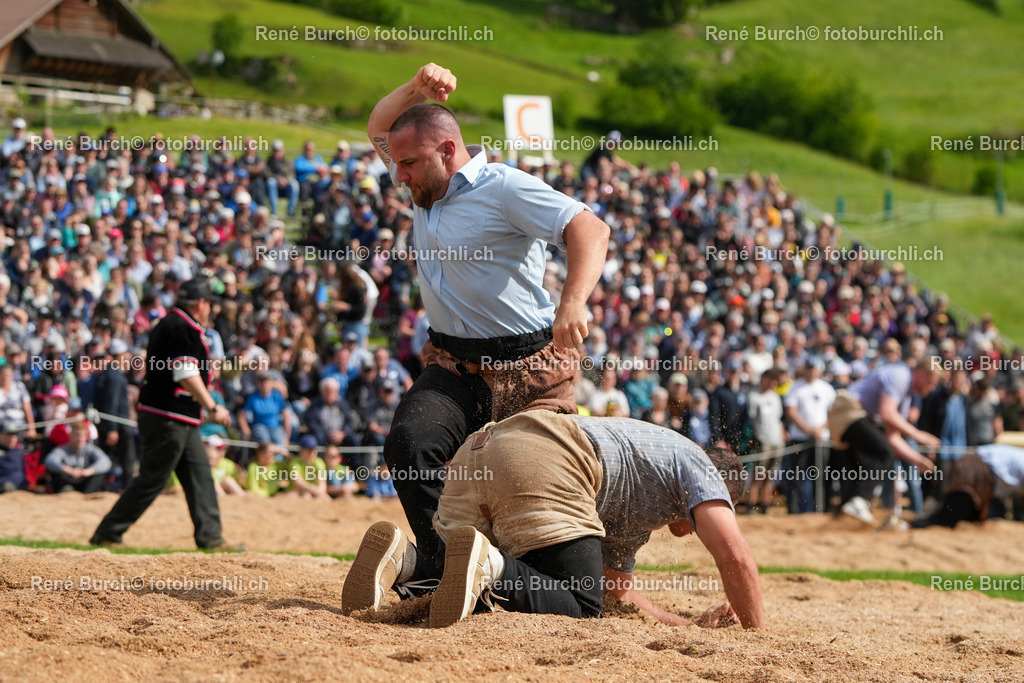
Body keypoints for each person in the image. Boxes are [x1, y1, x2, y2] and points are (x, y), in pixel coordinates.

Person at [367, 62, 610, 588]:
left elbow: (589, 226)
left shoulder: (504, 187)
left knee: (532, 495)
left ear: (449, 151)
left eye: (408, 163)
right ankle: (439, 571)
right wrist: (414, 88)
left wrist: (573, 301)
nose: (398, 174)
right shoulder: (421, 182)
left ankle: (510, 577)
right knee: (413, 444)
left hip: (532, 367)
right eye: (398, 163)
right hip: (452, 362)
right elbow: (379, 128)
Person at [344, 411, 764, 632]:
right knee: (582, 608)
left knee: (528, 583)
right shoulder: (700, 467)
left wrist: (688, 626)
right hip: (548, 455)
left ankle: (407, 562)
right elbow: (735, 557)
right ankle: (491, 565)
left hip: (482, 448)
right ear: (719, 492)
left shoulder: (641, 497)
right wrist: (756, 634)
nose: (692, 531)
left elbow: (616, 591)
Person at [90, 279, 236, 550]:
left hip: (180, 418)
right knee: (153, 478)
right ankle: (108, 532)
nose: (211, 310)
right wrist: (213, 406)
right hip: (168, 417)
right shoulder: (181, 327)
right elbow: (184, 372)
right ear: (201, 304)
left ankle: (211, 537)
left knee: (200, 475)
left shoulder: (175, 323)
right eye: (209, 305)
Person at [826, 359, 941, 528]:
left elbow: (893, 438)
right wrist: (917, 435)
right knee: (884, 454)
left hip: (850, 417)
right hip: (847, 411)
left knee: (860, 471)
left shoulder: (906, 397)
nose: (932, 388)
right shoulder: (900, 376)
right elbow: (887, 414)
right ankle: (859, 501)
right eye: (931, 383)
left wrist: (918, 459)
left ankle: (841, 518)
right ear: (921, 374)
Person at [911, 443, 1024, 528]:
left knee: (967, 517)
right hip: (973, 470)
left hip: (977, 470)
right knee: (947, 518)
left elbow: (993, 490)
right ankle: (914, 524)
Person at [45, 420, 112, 493]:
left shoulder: (90, 449)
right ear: (70, 435)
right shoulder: (61, 449)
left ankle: (88, 495)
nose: (80, 438)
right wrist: (69, 470)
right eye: (77, 434)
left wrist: (87, 472)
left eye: (83, 435)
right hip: (66, 482)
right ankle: (66, 492)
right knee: (55, 472)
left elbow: (106, 461)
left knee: (98, 473)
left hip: (85, 484)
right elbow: (49, 460)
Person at [0, 421, 26, 492]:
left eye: (14, 435)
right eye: (8, 435)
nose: (12, 438)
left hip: (21, 488)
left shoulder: (19, 451)